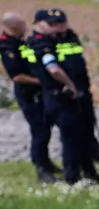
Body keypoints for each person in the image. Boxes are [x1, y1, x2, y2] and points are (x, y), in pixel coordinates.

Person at [28, 9, 99, 185]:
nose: (59, 26)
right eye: (54, 24)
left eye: (61, 22)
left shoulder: (68, 37)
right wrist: (69, 84)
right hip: (60, 95)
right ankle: (72, 178)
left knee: (84, 134)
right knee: (70, 138)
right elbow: (53, 69)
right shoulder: (40, 43)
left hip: (80, 93)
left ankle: (90, 171)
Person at [1, 12, 57, 183]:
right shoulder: (7, 47)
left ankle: (46, 163)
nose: (26, 27)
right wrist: (40, 81)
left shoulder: (21, 42)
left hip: (37, 92)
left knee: (45, 127)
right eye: (22, 24)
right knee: (39, 130)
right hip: (27, 93)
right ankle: (41, 169)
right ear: (14, 27)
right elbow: (17, 76)